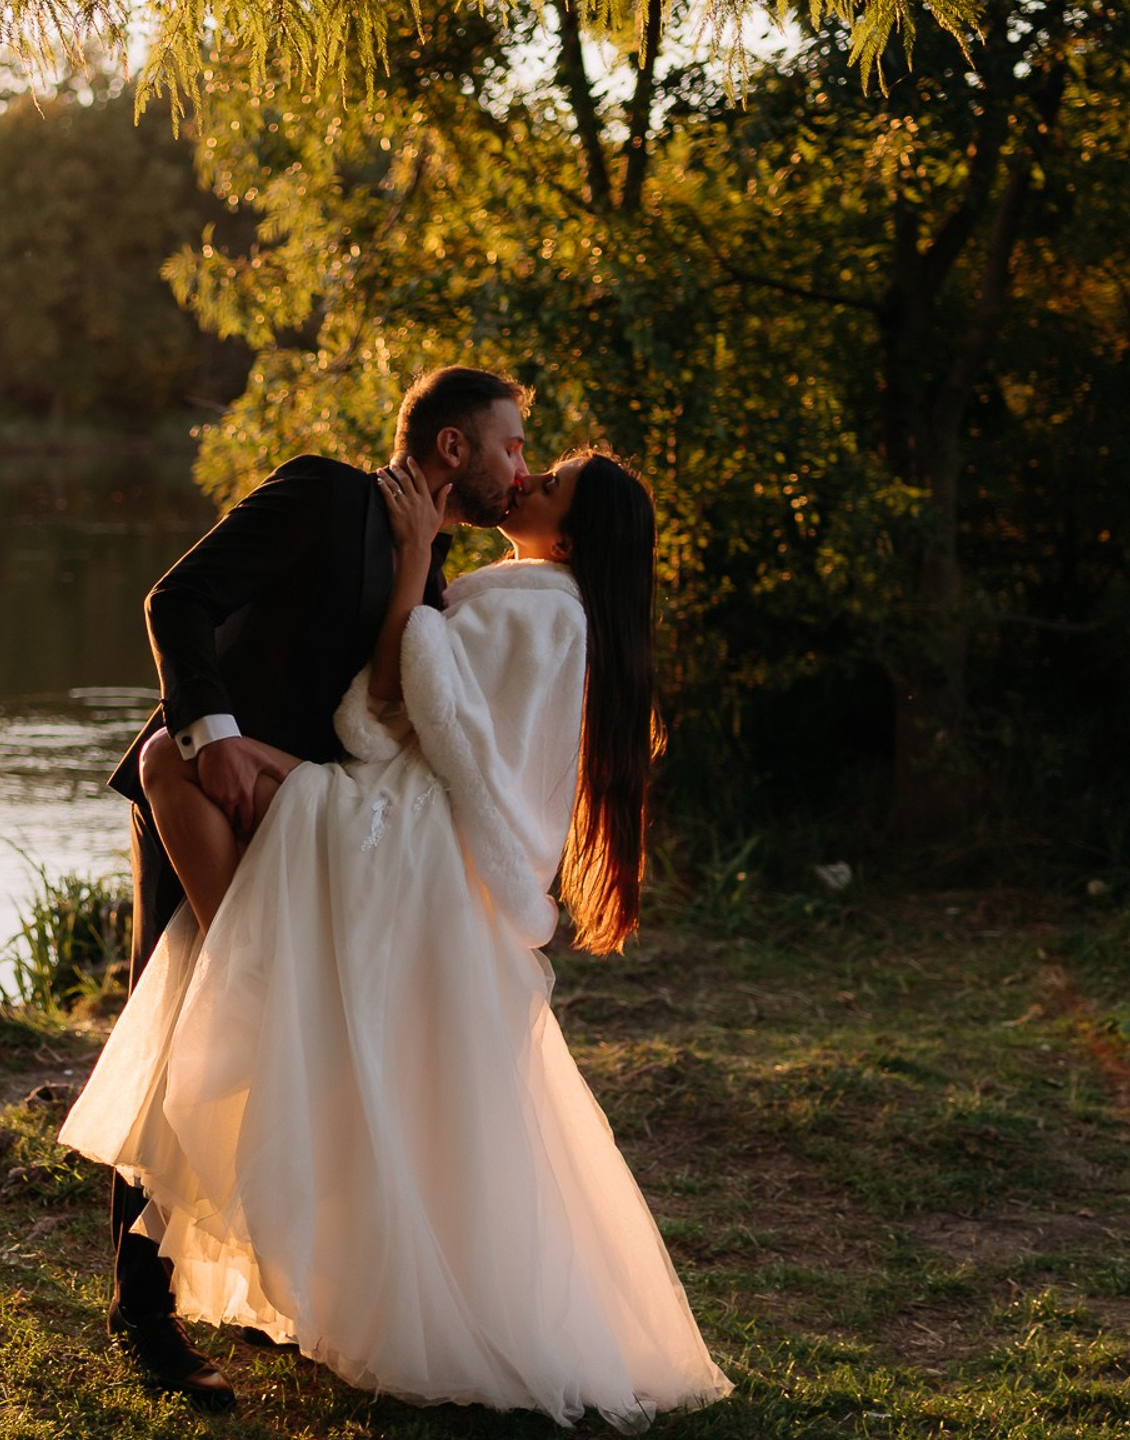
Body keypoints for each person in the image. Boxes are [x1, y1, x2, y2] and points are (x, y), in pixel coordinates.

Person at [62, 449, 734, 1430]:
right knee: (180, 771)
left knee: (169, 755)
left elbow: (401, 703)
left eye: (544, 483)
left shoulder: (527, 601)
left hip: (402, 825)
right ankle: (253, 971)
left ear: (571, 533)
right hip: (437, 844)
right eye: (525, 461)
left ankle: (251, 969)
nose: (524, 481)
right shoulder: (571, 619)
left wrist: (416, 555)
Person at [97, 366, 530, 1407]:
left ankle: (285, 1290)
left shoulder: (426, 577)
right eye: (511, 443)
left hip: (312, 826)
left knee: (303, 1048)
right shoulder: (324, 492)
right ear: (452, 449)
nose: (522, 464)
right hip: (201, 792)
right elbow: (177, 600)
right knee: (184, 1026)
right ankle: (143, 1318)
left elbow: (379, 713)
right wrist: (213, 736)